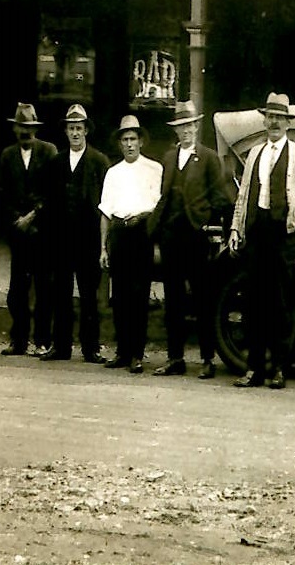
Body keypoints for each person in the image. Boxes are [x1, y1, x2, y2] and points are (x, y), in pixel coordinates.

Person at [228, 93, 295, 390]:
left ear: (287, 123)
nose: (273, 123)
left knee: (280, 304)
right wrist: (235, 229)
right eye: (269, 117)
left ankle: (278, 368)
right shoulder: (255, 153)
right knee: (253, 303)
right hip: (256, 235)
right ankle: (254, 369)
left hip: (283, 237)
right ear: (264, 121)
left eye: (279, 118)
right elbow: (243, 196)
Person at [149, 99, 233, 379]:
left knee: (202, 299)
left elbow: (219, 198)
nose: (186, 131)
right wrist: (157, 229)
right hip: (172, 236)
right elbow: (164, 194)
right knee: (173, 300)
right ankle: (176, 358)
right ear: (176, 130)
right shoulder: (169, 157)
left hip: (196, 236)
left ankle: (207, 359)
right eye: (181, 127)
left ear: (197, 127)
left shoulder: (209, 158)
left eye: (190, 126)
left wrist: (207, 222)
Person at [39, 104, 109, 363]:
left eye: (80, 128)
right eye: (71, 128)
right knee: (61, 293)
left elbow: (106, 203)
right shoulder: (55, 163)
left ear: (86, 131)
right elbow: (47, 202)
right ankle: (61, 346)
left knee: (90, 295)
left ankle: (91, 348)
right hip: (61, 240)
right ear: (66, 132)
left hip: (89, 240)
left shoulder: (100, 162)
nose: (76, 133)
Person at [98, 114, 163, 374]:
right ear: (119, 143)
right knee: (120, 297)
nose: (129, 144)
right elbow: (105, 211)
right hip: (119, 234)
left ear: (141, 141)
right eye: (124, 139)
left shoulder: (154, 169)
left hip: (142, 233)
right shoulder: (113, 173)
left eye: (133, 139)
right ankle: (123, 352)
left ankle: (137, 354)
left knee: (138, 297)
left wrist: (155, 241)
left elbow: (157, 208)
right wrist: (103, 247)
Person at [0, 103, 58, 356]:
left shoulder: (49, 151)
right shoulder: (7, 155)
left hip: (42, 230)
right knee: (18, 289)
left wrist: (33, 216)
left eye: (30, 128)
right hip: (18, 231)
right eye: (22, 127)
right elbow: (2, 193)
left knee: (44, 287)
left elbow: (53, 191)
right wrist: (17, 219)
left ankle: (42, 340)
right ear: (15, 128)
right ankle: (18, 340)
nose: (26, 132)